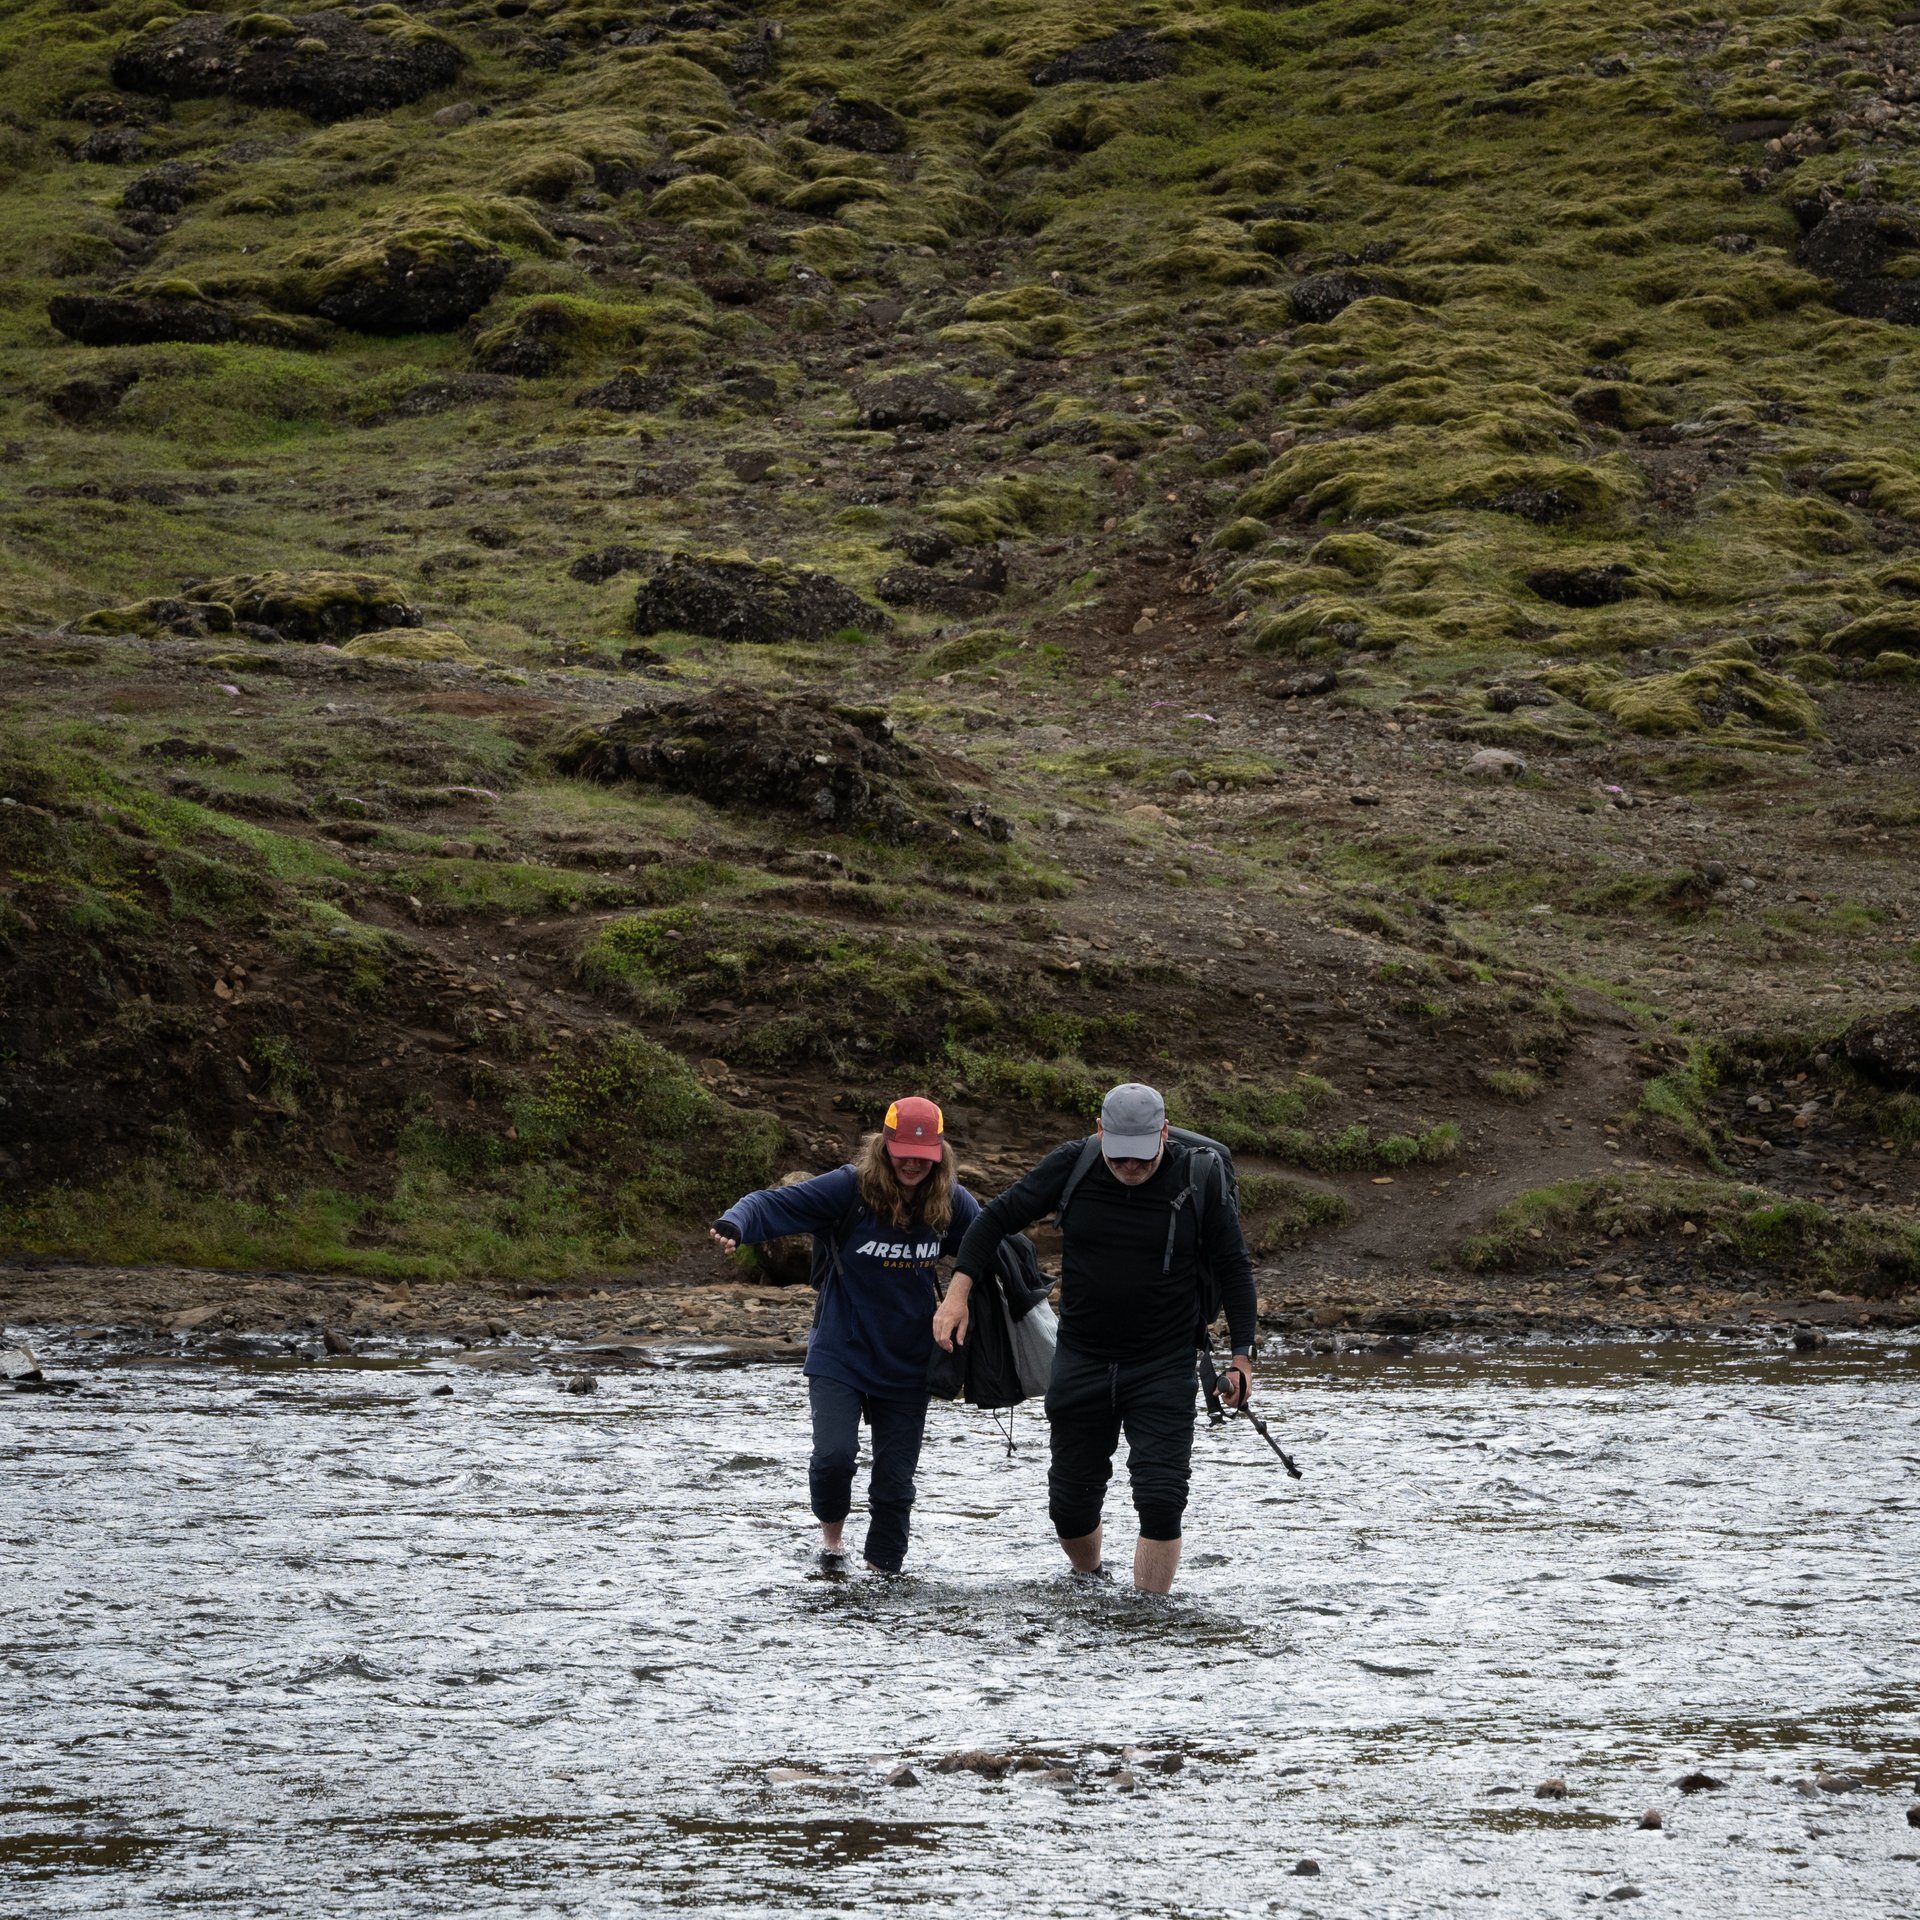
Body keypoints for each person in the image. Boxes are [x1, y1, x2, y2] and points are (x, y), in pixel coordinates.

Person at [934, 1082, 1255, 1594]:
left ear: (1164, 1135)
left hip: (1164, 1363)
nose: (1130, 1168)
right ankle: (1089, 1583)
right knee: (1070, 1504)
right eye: (1120, 1156)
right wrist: (958, 1292)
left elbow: (1235, 1269)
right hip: (1082, 1357)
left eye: (1142, 1158)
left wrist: (1242, 1358)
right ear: (1100, 1133)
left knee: (1161, 1496)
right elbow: (993, 1219)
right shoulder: (1074, 1164)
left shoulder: (1200, 1177)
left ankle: (1147, 1616)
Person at [711, 1097, 980, 1574]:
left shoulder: (950, 1201)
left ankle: (883, 1579)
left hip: (909, 1358)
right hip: (841, 1350)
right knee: (835, 1457)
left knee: (895, 1486)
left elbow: (985, 1242)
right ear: (883, 1146)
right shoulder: (847, 1189)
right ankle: (832, 1544)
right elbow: (768, 1203)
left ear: (940, 1153)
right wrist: (737, 1224)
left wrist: (967, 1292)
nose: (913, 1163)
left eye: (925, 1155)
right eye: (902, 1152)